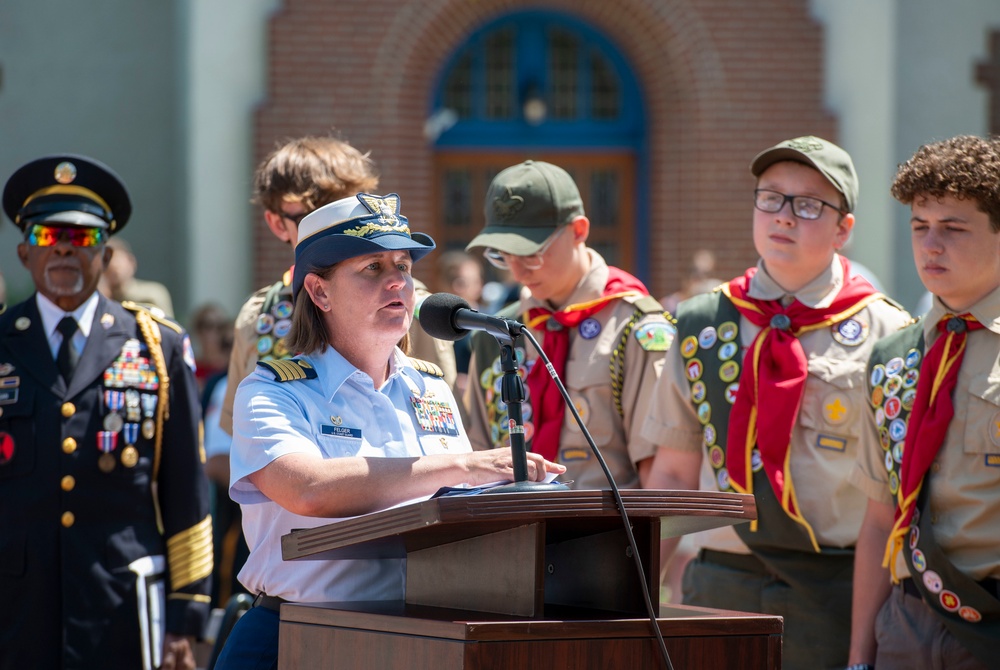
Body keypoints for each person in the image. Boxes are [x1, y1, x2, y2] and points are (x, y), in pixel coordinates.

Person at [212, 192, 564, 669]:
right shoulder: (273, 392)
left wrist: (512, 491)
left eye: (404, 264)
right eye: (372, 268)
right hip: (297, 636)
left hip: (419, 638)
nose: (398, 280)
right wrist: (467, 466)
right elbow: (308, 489)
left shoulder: (431, 388)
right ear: (319, 292)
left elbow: (453, 513)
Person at [640, 136, 911, 670]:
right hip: (720, 580)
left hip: (835, 587)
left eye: (808, 204)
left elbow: (896, 504)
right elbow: (672, 476)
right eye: (770, 197)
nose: (784, 216)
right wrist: (635, 604)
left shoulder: (889, 334)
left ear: (844, 229)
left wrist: (864, 652)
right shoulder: (702, 324)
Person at [0, 155, 212, 670]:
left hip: (123, 602)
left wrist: (188, 611)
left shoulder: (157, 346)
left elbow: (187, 485)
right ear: (25, 251)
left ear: (106, 251)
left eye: (84, 237)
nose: (67, 248)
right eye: (50, 236)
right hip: (15, 608)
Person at [848, 135, 1000, 670]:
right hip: (907, 622)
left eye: (953, 229)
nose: (930, 245)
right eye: (919, 227)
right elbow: (877, 519)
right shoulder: (896, 356)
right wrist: (859, 657)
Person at [218, 135, 455, 437]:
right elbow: (237, 433)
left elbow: (442, 426)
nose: (331, 226)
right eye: (310, 215)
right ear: (277, 224)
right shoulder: (260, 316)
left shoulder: (412, 307)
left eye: (346, 210)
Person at [462, 160, 675, 490]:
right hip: (509, 533)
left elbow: (662, 475)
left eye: (531, 253)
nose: (518, 273)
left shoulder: (634, 326)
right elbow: (473, 454)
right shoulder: (499, 332)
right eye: (503, 255)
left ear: (578, 231)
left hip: (606, 534)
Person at [433, 249, 485, 395]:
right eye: (452, 280)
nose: (456, 287)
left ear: (479, 284)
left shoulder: (490, 326)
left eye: (463, 282)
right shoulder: (430, 324)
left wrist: (472, 382)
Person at [97, 235, 175, 317]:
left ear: (131, 263)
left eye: (118, 265)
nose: (114, 272)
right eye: (109, 268)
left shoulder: (150, 295)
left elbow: (165, 325)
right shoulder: (102, 296)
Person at [660, 248, 722, 313]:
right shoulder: (669, 306)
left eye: (709, 275)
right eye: (697, 276)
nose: (704, 282)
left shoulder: (711, 307)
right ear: (685, 278)